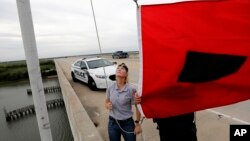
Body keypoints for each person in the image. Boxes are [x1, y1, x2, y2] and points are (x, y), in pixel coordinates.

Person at [105, 63, 142, 141]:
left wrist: (137, 124)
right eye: (118, 68)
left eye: (122, 68)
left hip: (127, 124)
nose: (119, 69)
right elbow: (106, 102)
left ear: (126, 74)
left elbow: (137, 106)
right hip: (112, 123)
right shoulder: (110, 87)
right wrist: (107, 105)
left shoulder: (131, 89)